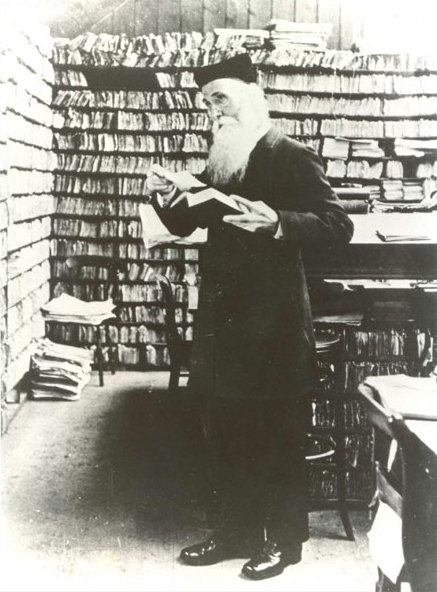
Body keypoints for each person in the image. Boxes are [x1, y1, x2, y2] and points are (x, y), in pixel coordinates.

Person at [145, 53, 354, 580]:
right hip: (224, 319)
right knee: (231, 430)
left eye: (222, 98)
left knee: (278, 436)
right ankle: (236, 533)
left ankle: (284, 544)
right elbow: (194, 216)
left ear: (252, 94)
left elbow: (337, 224)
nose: (214, 111)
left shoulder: (290, 154)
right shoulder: (221, 159)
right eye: (207, 103)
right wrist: (168, 198)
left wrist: (279, 222)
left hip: (275, 323)